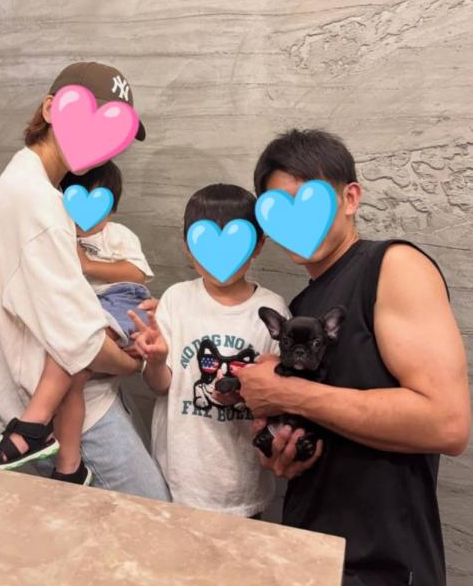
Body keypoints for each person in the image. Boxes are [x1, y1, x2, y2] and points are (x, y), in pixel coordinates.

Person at [235, 129, 470, 586]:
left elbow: (448, 423)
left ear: (350, 198)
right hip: (312, 551)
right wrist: (283, 451)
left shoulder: (393, 265)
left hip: (384, 565)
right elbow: (326, 419)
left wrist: (288, 393)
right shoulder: (303, 307)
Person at [0, 61, 170, 499]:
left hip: (79, 398)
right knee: (153, 514)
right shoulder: (39, 203)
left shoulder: (25, 186)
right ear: (50, 110)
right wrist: (136, 363)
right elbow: (80, 341)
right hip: (73, 413)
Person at [132, 183, 290, 518]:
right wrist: (157, 361)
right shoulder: (176, 299)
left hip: (242, 486)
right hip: (178, 478)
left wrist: (247, 395)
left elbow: (279, 398)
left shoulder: (272, 310)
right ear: (188, 246)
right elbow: (160, 386)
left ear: (258, 244)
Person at [61, 161, 154, 345]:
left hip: (117, 295)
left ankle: (102, 343)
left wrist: (88, 265)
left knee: (132, 311)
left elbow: (137, 274)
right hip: (77, 299)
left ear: (111, 211)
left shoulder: (117, 234)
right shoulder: (60, 233)